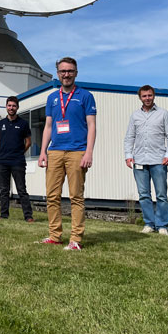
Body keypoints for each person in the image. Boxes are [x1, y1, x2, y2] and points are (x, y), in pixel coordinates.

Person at [37, 57, 96, 250]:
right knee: (51, 196)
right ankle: (55, 235)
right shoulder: (52, 98)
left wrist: (88, 152)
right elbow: (47, 126)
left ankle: (75, 239)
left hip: (77, 152)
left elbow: (92, 126)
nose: (66, 74)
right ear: (57, 73)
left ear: (76, 73)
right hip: (54, 152)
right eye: (63, 71)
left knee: (76, 197)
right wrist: (43, 152)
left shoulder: (85, 96)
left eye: (70, 71)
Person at [124, 85, 168, 235]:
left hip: (159, 160)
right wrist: (128, 155)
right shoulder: (135, 116)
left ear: (154, 96)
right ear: (140, 97)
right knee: (144, 194)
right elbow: (129, 137)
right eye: (144, 96)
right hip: (139, 160)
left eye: (149, 95)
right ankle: (149, 223)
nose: (147, 98)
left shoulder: (163, 114)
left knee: (161, 194)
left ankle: (162, 226)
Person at [0, 96, 34, 222]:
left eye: (14, 106)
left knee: (21, 190)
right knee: (4, 190)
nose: (11, 108)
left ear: (17, 107)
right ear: (6, 107)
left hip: (18, 161)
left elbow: (28, 142)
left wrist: (19, 152)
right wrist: (6, 150)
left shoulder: (23, 124)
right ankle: (4, 214)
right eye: (9, 105)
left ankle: (28, 216)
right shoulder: (0, 124)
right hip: (2, 162)